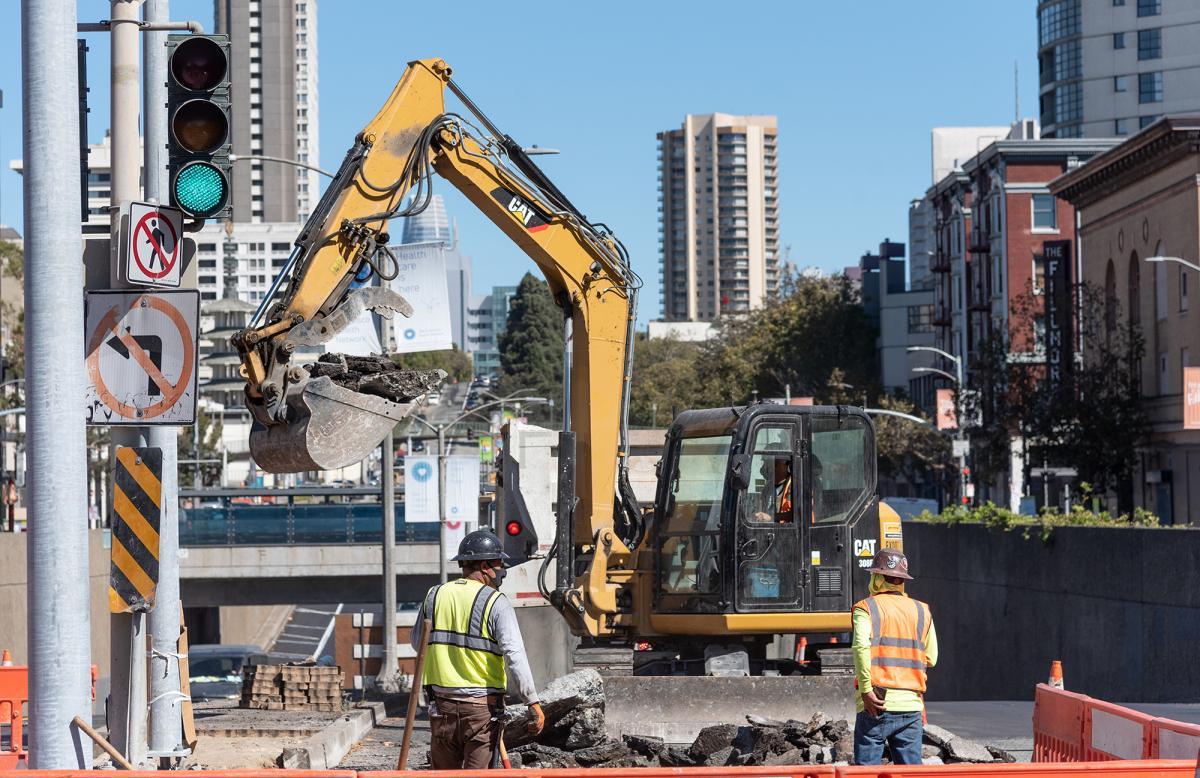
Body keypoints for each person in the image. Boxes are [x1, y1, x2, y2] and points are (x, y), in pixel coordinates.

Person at [412, 530, 545, 770]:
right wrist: (532, 701)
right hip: (481, 711)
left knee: (444, 777)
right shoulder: (496, 601)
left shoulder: (435, 595)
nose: (502, 570)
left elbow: (417, 643)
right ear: (485, 565)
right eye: (499, 564)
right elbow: (514, 654)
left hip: (441, 706)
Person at [851, 548, 937, 766]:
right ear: (902, 581)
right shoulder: (922, 610)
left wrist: (866, 689)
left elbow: (861, 647)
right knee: (910, 772)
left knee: (867, 772)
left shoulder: (866, 608)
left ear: (878, 578)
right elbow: (931, 658)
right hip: (911, 706)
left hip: (876, 703)